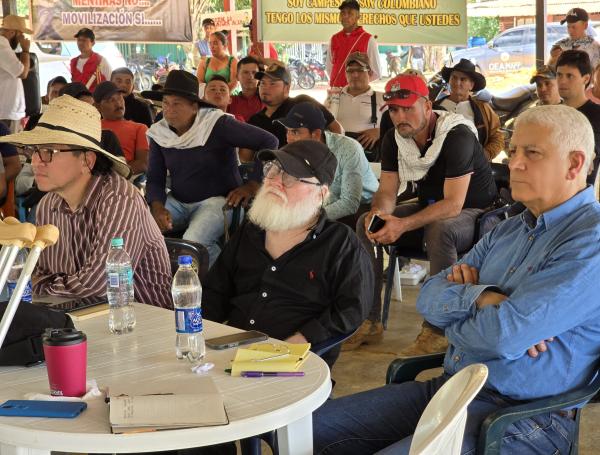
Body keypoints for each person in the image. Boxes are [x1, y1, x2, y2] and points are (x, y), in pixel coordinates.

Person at [313, 104, 600, 455]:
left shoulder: (591, 242)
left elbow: (501, 336)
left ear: (574, 164)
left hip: (524, 418)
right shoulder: (508, 229)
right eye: (514, 151)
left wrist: (462, 314)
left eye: (532, 153)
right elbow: (429, 301)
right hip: (451, 389)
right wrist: (482, 297)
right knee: (307, 430)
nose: (515, 163)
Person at [347, 74, 498, 352]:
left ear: (427, 106)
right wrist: (380, 215)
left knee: (440, 229)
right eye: (394, 109)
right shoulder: (395, 137)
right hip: (431, 205)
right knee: (364, 225)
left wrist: (402, 225)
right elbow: (388, 189)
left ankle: (436, 329)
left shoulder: (457, 134)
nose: (400, 116)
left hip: (477, 212)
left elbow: (453, 204)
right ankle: (369, 321)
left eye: (408, 108)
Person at [203, 140, 373, 365]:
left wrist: (299, 341)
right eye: (272, 170)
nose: (274, 181)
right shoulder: (252, 230)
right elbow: (216, 290)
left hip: (295, 359)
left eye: (291, 177)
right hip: (231, 351)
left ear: (321, 193)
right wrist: (196, 335)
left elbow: (352, 309)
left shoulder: (340, 243)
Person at [0, 95, 172, 308]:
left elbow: (101, 283)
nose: (36, 161)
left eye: (48, 152)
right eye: (35, 151)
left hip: (140, 322)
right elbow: (39, 272)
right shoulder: (48, 204)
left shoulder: (119, 198)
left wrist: (45, 285)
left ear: (86, 160)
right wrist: (47, 283)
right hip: (78, 319)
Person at [143, 70, 278, 267]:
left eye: (177, 104)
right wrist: (156, 206)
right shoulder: (160, 132)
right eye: (165, 103)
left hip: (220, 202)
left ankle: (223, 283)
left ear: (194, 107)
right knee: (137, 226)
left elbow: (269, 141)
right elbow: (155, 177)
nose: (169, 110)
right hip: (178, 202)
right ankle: (157, 284)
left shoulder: (217, 124)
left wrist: (253, 185)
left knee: (193, 243)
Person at [278, 102, 378, 224]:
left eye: (295, 132)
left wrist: (306, 219)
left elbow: (350, 203)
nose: (288, 139)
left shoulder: (348, 148)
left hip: (365, 205)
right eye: (287, 131)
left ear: (316, 134)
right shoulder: (295, 150)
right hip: (323, 204)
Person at [247, 63, 342, 148]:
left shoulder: (303, 103)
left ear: (287, 88)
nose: (266, 88)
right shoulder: (255, 120)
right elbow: (245, 157)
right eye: (263, 83)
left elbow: (336, 128)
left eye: (272, 83)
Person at [434, 59, 504, 161]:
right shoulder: (435, 107)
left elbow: (497, 136)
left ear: (471, 85)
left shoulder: (483, 108)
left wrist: (485, 155)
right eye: (454, 77)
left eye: (463, 79)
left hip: (474, 168)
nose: (457, 82)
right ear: (449, 80)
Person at [556, 50, 600, 187]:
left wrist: (590, 152)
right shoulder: (553, 114)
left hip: (580, 193)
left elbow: (595, 148)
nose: (562, 81)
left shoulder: (597, 114)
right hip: (551, 187)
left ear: (586, 79)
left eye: (570, 76)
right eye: (559, 75)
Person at [332, 52, 386, 159]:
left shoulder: (382, 99)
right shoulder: (334, 97)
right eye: (350, 70)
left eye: (360, 70)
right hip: (338, 154)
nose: (355, 75)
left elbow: (396, 128)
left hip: (367, 156)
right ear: (345, 74)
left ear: (370, 73)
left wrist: (380, 132)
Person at [93, 81, 148, 176]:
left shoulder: (139, 128)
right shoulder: (91, 126)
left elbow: (143, 163)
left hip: (124, 179)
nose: (118, 104)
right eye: (110, 100)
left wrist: (114, 176)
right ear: (98, 106)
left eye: (119, 98)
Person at [326, 0, 381, 89]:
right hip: (336, 93)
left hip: (357, 94)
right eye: (343, 13)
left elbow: (376, 72)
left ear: (358, 17)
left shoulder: (368, 39)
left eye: (350, 13)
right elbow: (329, 68)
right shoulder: (334, 39)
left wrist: (357, 85)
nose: (345, 16)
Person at [0, 15, 31, 133]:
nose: (22, 39)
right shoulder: (2, 45)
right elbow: (23, 73)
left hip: (7, 112)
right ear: (13, 32)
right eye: (21, 35)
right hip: (5, 113)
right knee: (10, 150)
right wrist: (26, 50)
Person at [70, 28, 112, 92]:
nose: (80, 43)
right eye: (79, 40)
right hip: (77, 101)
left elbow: (110, 83)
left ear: (93, 43)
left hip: (95, 100)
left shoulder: (101, 61)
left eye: (84, 40)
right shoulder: (73, 62)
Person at [227, 56, 263, 122]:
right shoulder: (230, 101)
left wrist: (263, 60)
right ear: (237, 77)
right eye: (245, 72)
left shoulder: (267, 99)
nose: (251, 77)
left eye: (254, 72)